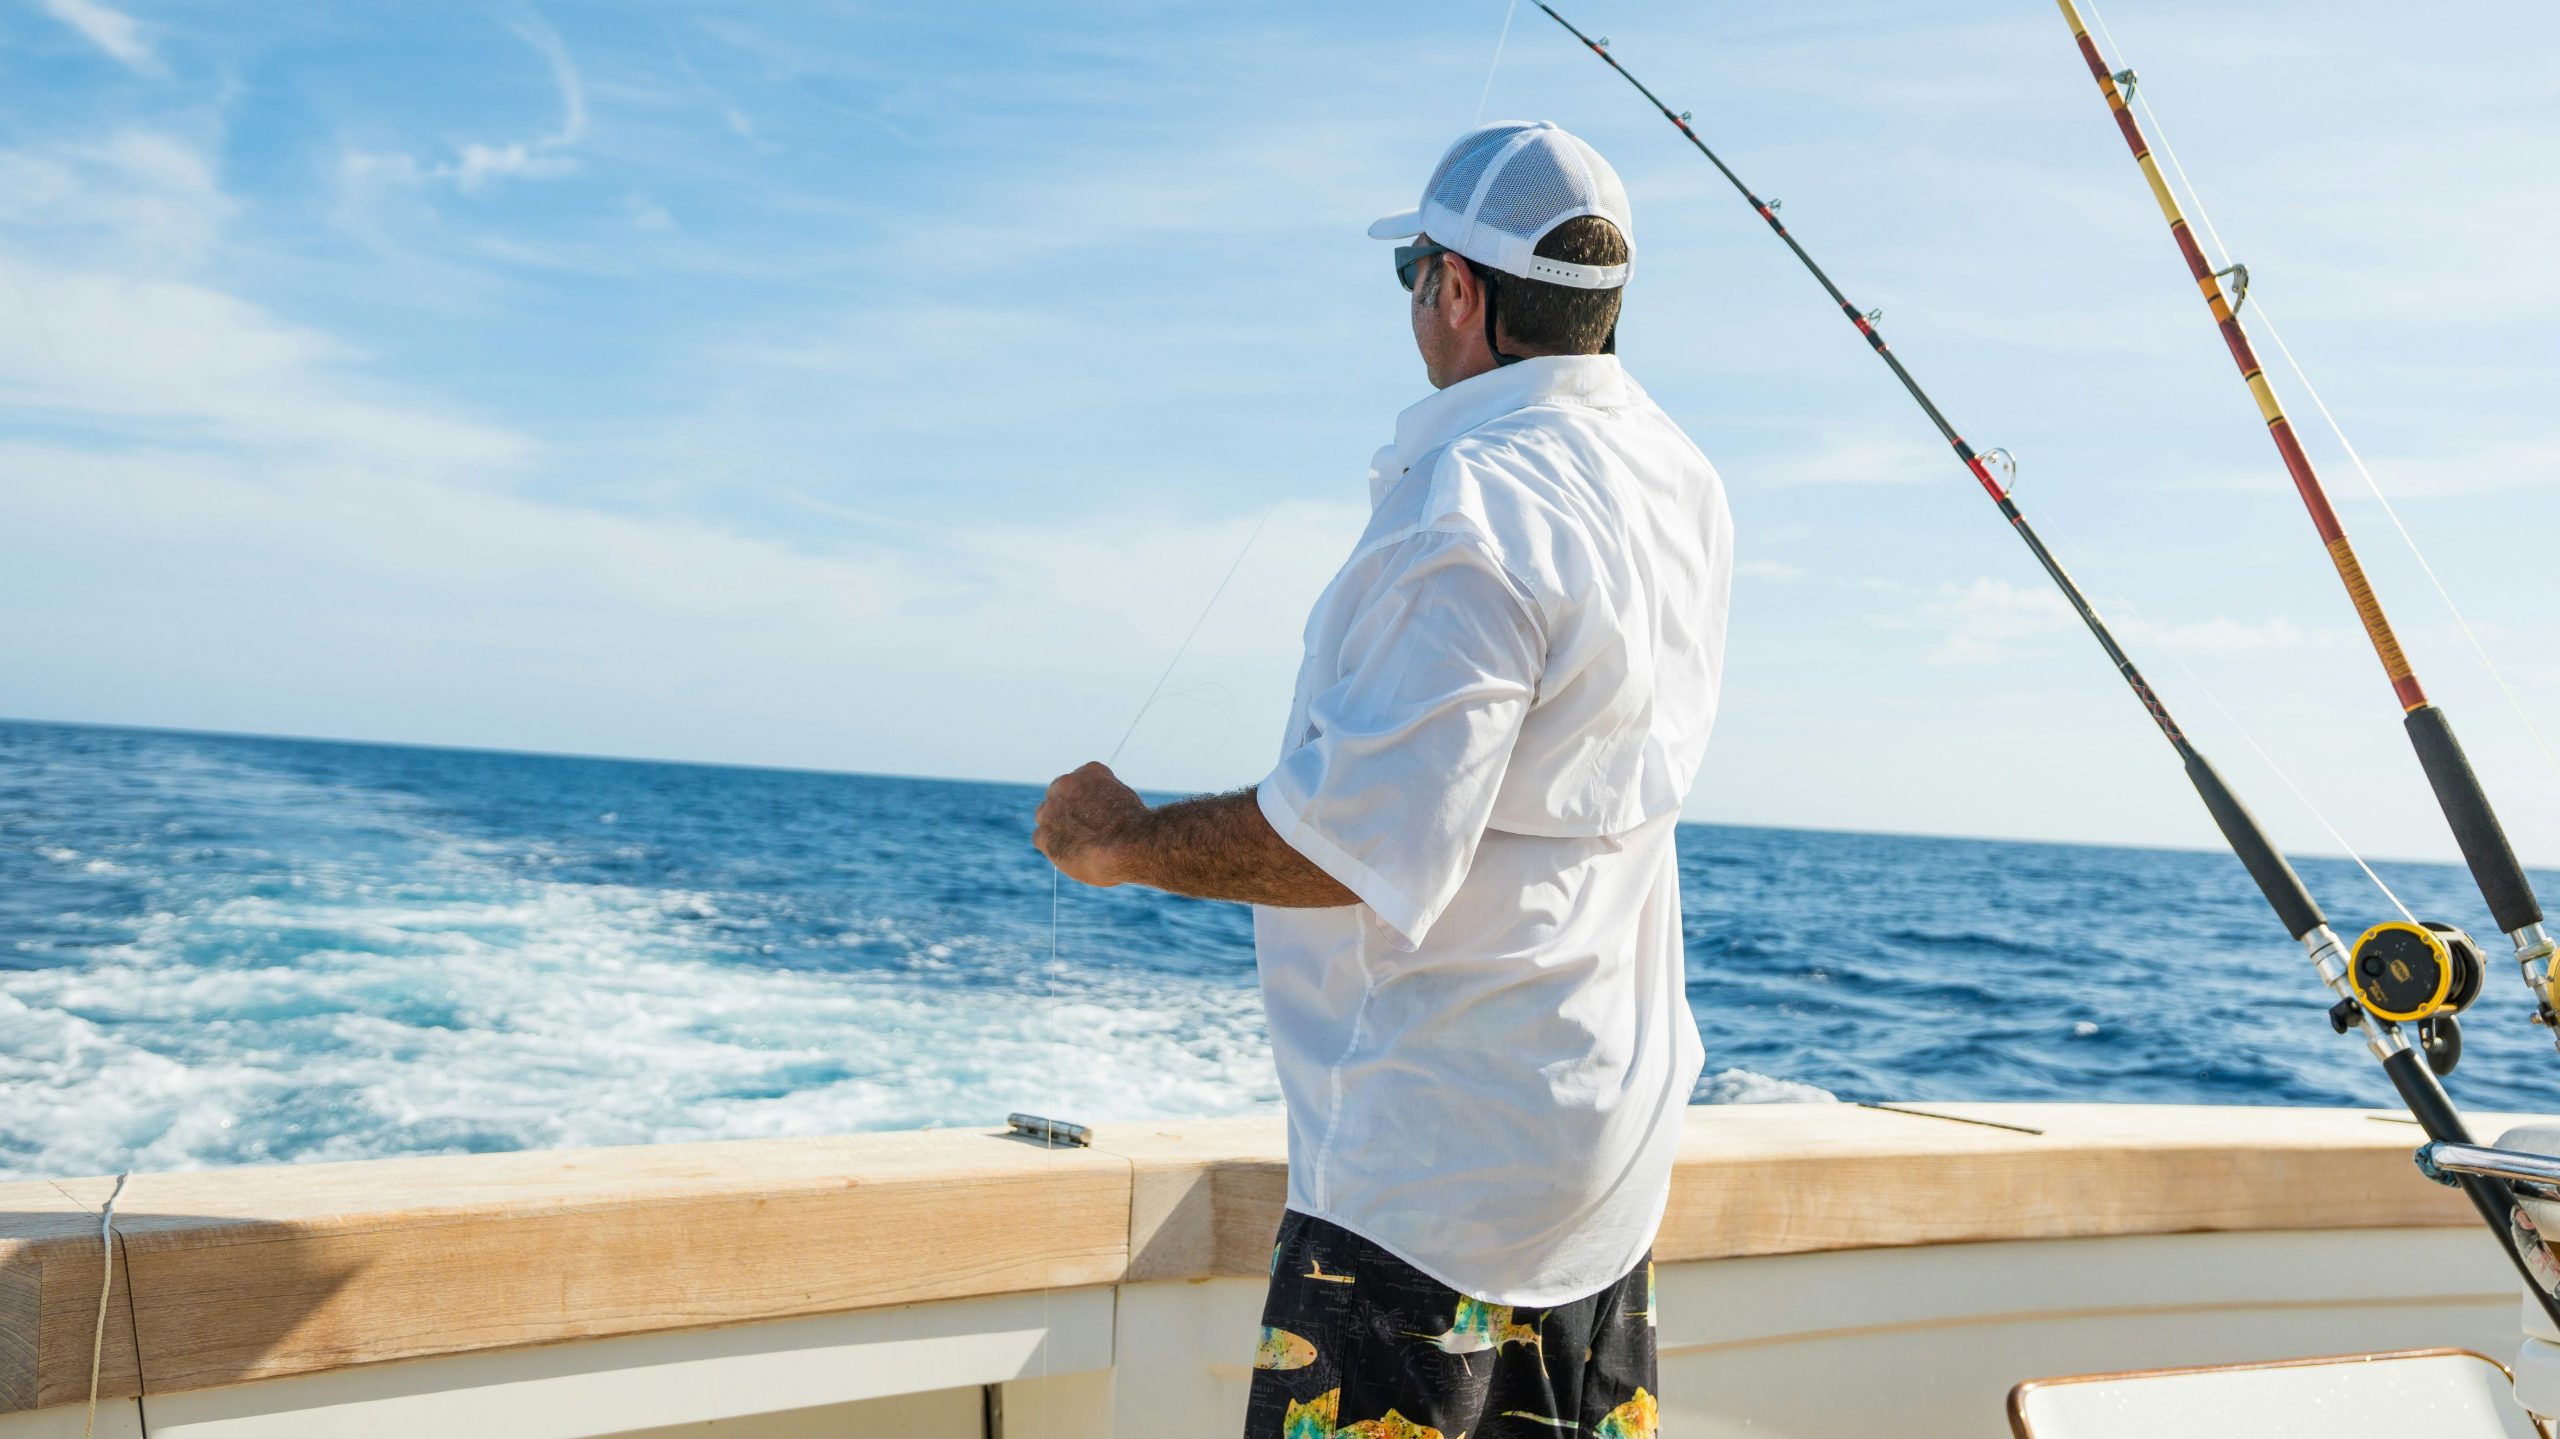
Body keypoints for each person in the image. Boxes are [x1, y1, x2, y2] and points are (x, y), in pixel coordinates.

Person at [1035, 120, 1731, 1439]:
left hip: (1430, 1202)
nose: (1415, 293)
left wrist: (1119, 839)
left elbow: (1352, 845)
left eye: (1415, 267)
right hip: (1606, 1178)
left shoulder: (1469, 508)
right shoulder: (1683, 487)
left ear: (1457, 292)